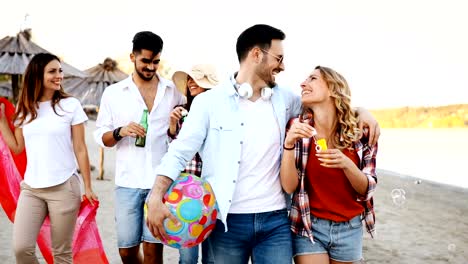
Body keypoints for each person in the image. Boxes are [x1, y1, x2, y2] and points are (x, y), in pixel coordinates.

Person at [146, 24, 380, 264]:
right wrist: (156, 196)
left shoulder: (287, 99)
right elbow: (179, 152)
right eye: (278, 58)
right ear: (256, 55)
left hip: (275, 223)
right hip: (225, 222)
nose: (283, 66)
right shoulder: (208, 102)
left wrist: (362, 112)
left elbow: (329, 109)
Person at [94, 31, 185, 263]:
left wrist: (174, 127)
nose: (151, 67)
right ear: (132, 57)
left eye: (156, 62)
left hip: (160, 183)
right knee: (126, 251)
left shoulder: (172, 91)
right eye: (145, 61)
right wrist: (120, 131)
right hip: (127, 184)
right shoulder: (113, 93)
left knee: (154, 254)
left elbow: (180, 137)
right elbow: (101, 137)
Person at [0, 53, 98, 263]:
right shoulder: (25, 108)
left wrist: (88, 187)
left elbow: (80, 148)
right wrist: (1, 122)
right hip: (31, 189)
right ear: (37, 75)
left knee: (61, 254)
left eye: (60, 70)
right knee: (21, 249)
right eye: (52, 71)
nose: (59, 75)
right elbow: (17, 148)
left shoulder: (71, 105)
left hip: (64, 187)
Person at [280, 66, 378, 264]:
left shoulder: (362, 132)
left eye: (313, 78)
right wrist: (288, 145)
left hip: (350, 228)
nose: (303, 83)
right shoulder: (298, 127)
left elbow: (367, 189)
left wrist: (347, 165)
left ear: (333, 89)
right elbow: (289, 187)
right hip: (309, 225)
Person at [169, 64, 219, 264]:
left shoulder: (218, 113)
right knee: (187, 255)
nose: (190, 83)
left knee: (211, 252)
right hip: (185, 188)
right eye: (188, 79)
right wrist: (172, 126)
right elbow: (174, 149)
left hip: (210, 186)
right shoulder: (180, 111)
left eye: (195, 79)